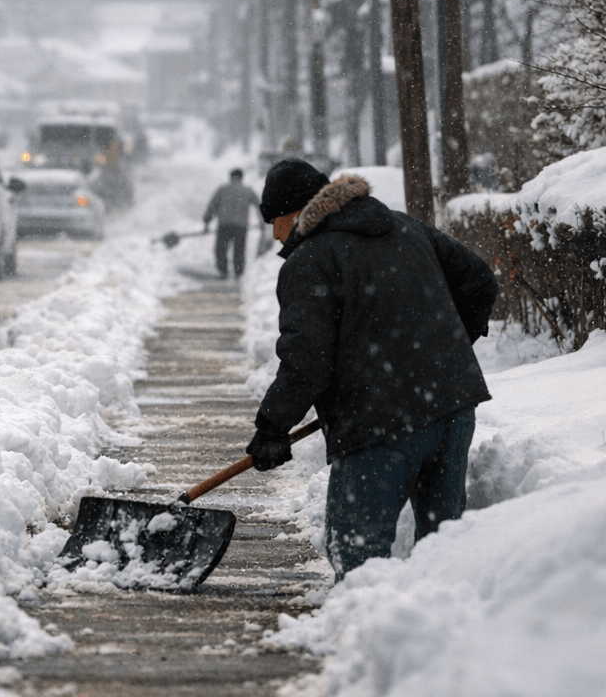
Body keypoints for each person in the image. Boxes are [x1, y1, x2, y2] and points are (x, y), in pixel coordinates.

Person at [245, 159, 498, 580]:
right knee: (446, 552)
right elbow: (480, 281)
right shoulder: (406, 227)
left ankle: (364, 638)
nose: (274, 233)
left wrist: (272, 426)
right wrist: (440, 353)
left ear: (297, 211)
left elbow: (307, 357)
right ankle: (438, 638)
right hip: (452, 409)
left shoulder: (310, 260)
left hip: (380, 425)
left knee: (358, 558)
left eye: (275, 220)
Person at [203, 168, 260, 278]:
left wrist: (206, 221)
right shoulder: (247, 190)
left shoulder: (223, 189)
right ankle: (238, 273)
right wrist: (263, 222)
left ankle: (223, 271)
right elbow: (259, 206)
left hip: (224, 224)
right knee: (239, 250)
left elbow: (212, 206)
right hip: (240, 226)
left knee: (221, 249)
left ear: (230, 177)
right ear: (241, 177)